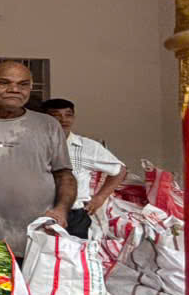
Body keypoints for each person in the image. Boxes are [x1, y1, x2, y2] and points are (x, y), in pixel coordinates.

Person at [0, 61, 75, 258]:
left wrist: (61, 210)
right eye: (4, 82)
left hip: (38, 241)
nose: (14, 89)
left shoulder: (48, 126)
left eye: (23, 84)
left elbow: (64, 175)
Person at [42, 97, 126, 238]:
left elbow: (119, 170)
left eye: (68, 115)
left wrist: (100, 198)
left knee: (74, 257)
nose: (63, 120)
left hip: (74, 216)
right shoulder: (33, 144)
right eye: (56, 116)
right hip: (40, 213)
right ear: (45, 119)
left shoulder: (87, 147)